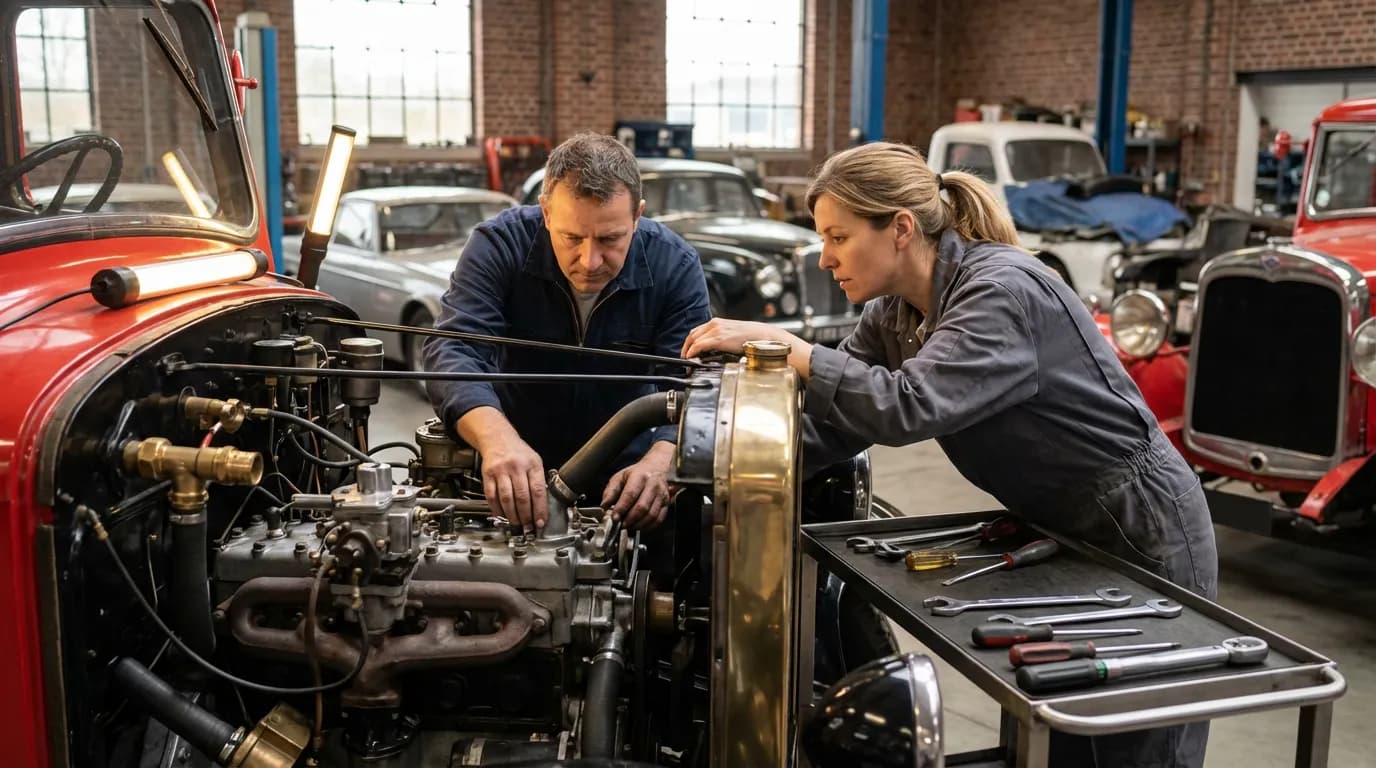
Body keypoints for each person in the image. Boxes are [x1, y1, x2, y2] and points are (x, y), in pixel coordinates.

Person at [682, 142, 1218, 768]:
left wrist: (789, 347)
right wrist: (709, 464)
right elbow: (838, 419)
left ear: (900, 228)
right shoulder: (895, 312)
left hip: (1138, 525)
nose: (825, 258)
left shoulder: (1000, 292)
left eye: (838, 237)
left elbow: (906, 405)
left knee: (1136, 745)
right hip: (1056, 526)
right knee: (1063, 731)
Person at [426, 133, 710, 532]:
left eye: (610, 239)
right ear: (545, 212)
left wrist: (662, 461)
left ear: (638, 216)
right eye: (572, 237)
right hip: (514, 476)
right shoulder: (500, 245)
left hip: (626, 491)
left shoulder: (674, 265)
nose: (589, 260)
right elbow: (454, 348)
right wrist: (497, 440)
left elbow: (692, 383)